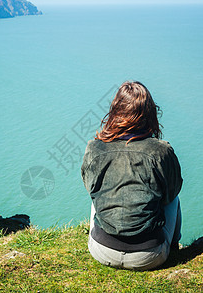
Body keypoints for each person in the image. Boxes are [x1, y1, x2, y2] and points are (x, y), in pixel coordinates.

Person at [81, 81, 183, 270]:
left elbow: (90, 188)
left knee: (97, 192)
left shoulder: (94, 147)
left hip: (101, 251)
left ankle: (98, 235)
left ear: (115, 111)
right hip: (150, 255)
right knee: (173, 197)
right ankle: (174, 246)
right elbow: (172, 191)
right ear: (149, 113)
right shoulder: (161, 151)